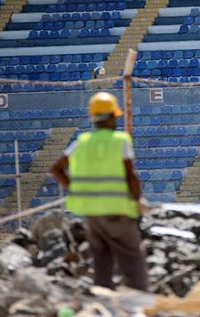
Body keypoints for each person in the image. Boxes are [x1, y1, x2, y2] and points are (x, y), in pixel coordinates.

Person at [50, 91, 148, 291]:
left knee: (101, 262)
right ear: (111, 116)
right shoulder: (119, 140)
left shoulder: (82, 142)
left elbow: (56, 168)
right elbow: (131, 175)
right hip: (116, 211)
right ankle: (140, 301)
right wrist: (137, 201)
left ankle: (104, 304)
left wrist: (76, 189)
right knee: (132, 258)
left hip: (92, 214)